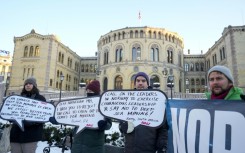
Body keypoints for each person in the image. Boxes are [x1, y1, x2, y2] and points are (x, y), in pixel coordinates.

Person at [119, 72, 168, 153]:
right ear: (135, 84)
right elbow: (121, 122)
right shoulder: (128, 100)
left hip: (149, 149)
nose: (140, 83)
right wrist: (122, 126)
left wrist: (162, 147)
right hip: (130, 149)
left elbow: (163, 128)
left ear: (148, 84)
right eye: (138, 81)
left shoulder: (157, 101)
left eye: (143, 81)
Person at [71, 80, 112, 153]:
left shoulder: (103, 105)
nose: (88, 92)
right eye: (88, 90)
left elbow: (109, 124)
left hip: (94, 147)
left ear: (96, 92)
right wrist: (58, 119)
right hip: (78, 145)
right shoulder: (81, 104)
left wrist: (104, 125)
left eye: (91, 90)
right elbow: (70, 118)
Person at [10, 77, 46, 153]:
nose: (28, 85)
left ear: (34, 86)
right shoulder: (17, 98)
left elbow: (43, 116)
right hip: (16, 135)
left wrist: (32, 122)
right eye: (26, 84)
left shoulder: (40, 98)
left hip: (31, 135)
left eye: (30, 84)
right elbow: (11, 112)